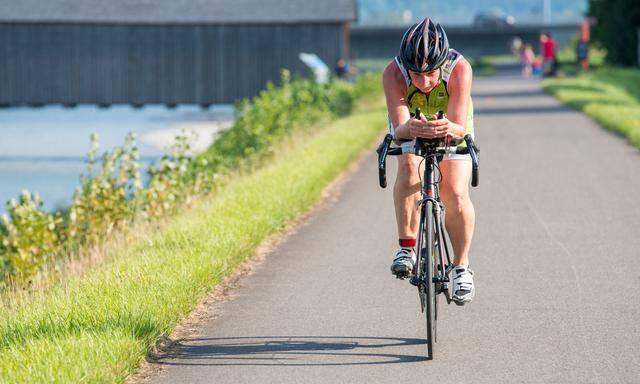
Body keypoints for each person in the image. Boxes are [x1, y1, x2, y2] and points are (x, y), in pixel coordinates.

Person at [382, 18, 476, 304]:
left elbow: (460, 125)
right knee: (409, 166)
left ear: (442, 64)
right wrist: (411, 129)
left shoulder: (459, 68)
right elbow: (399, 129)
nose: (423, 83)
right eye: (416, 74)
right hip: (411, 125)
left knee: (456, 191)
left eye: (431, 75)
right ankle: (407, 246)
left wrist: (448, 128)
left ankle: (461, 267)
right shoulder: (392, 73)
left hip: (451, 125)